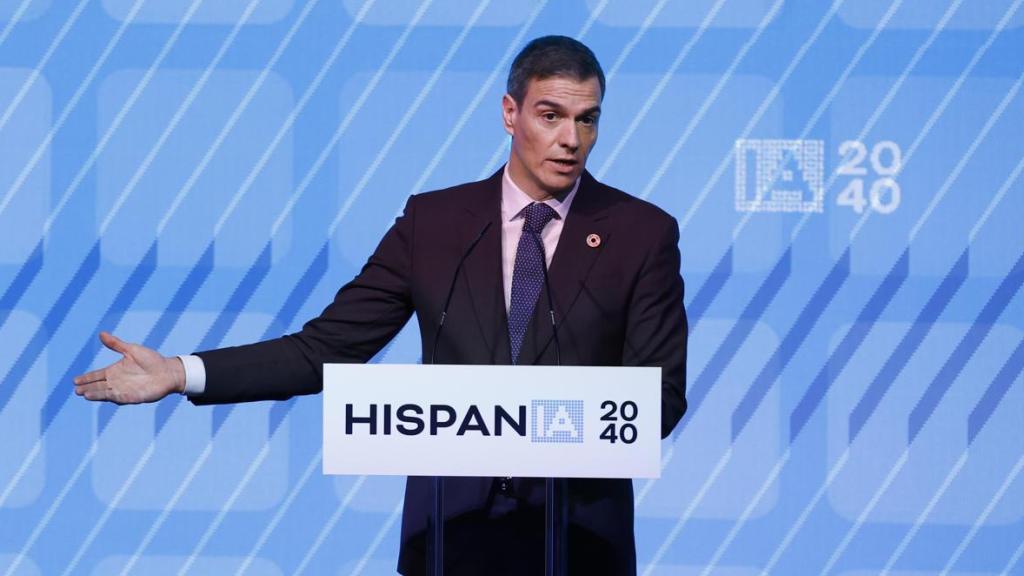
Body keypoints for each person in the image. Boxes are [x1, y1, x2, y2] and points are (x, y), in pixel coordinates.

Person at [75, 35, 687, 575]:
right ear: (509, 113)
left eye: (587, 120)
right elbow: (325, 349)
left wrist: (533, 424)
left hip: (579, 544)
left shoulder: (640, 233)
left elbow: (658, 399)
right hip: (450, 540)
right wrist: (182, 372)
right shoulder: (436, 223)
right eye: (551, 116)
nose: (570, 140)